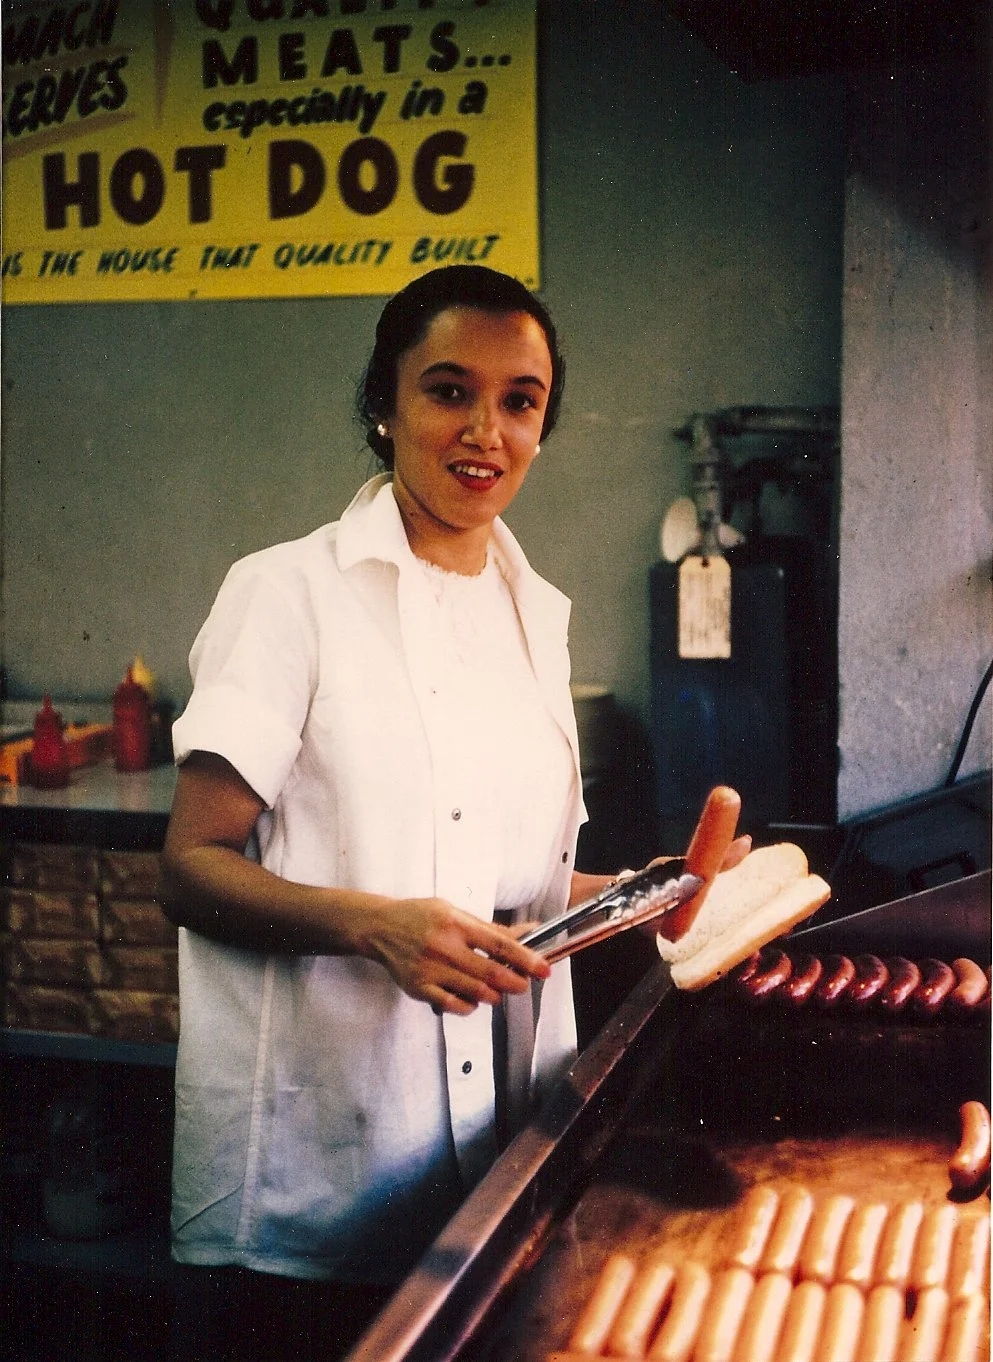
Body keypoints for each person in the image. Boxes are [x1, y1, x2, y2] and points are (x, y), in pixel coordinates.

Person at [160, 265, 733, 1360]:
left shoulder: (531, 617)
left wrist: (626, 899)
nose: (487, 430)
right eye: (448, 390)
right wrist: (374, 925)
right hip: (315, 1179)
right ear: (384, 404)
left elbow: (506, 883)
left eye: (520, 401)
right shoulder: (288, 594)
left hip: (495, 1163)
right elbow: (190, 866)